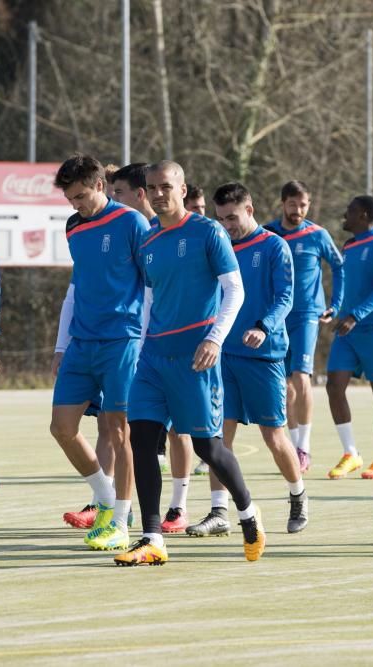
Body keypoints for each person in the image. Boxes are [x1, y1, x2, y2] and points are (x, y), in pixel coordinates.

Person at [116, 161, 264, 566]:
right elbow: (149, 300)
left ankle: (249, 514)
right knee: (142, 439)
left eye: (166, 186)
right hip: (152, 358)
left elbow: (234, 290)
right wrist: (140, 347)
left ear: (182, 189)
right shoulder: (147, 241)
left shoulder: (208, 232)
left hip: (195, 356)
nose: (158, 194)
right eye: (151, 187)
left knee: (208, 447)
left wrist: (215, 339)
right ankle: (152, 538)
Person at [186, 182, 309, 537]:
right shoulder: (218, 245)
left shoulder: (274, 246)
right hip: (223, 355)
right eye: (221, 218)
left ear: (250, 210)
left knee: (274, 437)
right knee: (217, 438)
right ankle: (219, 511)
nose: (227, 225)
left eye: (233, 217)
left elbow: (286, 297)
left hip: (264, 356)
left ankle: (298, 495)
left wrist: (263, 326)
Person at [49, 154, 150, 551]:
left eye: (80, 196)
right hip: (81, 343)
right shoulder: (74, 227)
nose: (75, 205)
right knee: (62, 428)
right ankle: (106, 499)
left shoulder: (132, 222)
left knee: (119, 431)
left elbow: (151, 285)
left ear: (100, 187)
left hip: (123, 342)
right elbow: (76, 288)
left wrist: (145, 340)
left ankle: (121, 521)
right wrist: (61, 345)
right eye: (70, 198)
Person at [111, 162, 198, 529]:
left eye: (120, 193)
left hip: (187, 346)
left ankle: (179, 506)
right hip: (144, 347)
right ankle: (123, 508)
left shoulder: (168, 231)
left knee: (183, 430)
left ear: (138, 194)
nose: (115, 200)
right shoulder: (139, 235)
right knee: (132, 430)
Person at [265, 180, 344, 473]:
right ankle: (292, 444)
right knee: (283, 386)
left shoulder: (317, 235)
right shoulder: (269, 233)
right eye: (292, 204)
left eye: (303, 205)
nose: (298, 210)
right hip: (277, 315)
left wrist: (335, 304)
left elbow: (339, 266)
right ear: (282, 203)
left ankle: (304, 448)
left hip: (307, 314)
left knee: (301, 377)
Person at [325, 195, 373, 480]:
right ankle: (351, 453)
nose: (345, 216)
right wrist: (337, 308)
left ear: (365, 215)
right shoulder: (350, 245)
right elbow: (345, 283)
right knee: (334, 386)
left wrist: (355, 315)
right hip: (347, 329)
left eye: (350, 212)